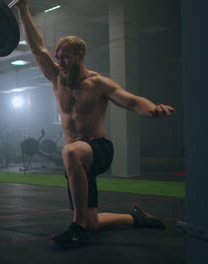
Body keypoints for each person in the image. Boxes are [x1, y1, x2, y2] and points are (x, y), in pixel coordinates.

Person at [15, 0, 176, 248]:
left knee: (70, 152)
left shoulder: (99, 84)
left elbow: (132, 101)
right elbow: (37, 48)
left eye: (65, 57)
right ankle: (135, 218)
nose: (60, 61)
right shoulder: (56, 78)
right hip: (77, 160)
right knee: (93, 221)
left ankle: (76, 228)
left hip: (98, 149)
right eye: (58, 56)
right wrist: (22, 8)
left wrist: (152, 108)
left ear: (80, 55)